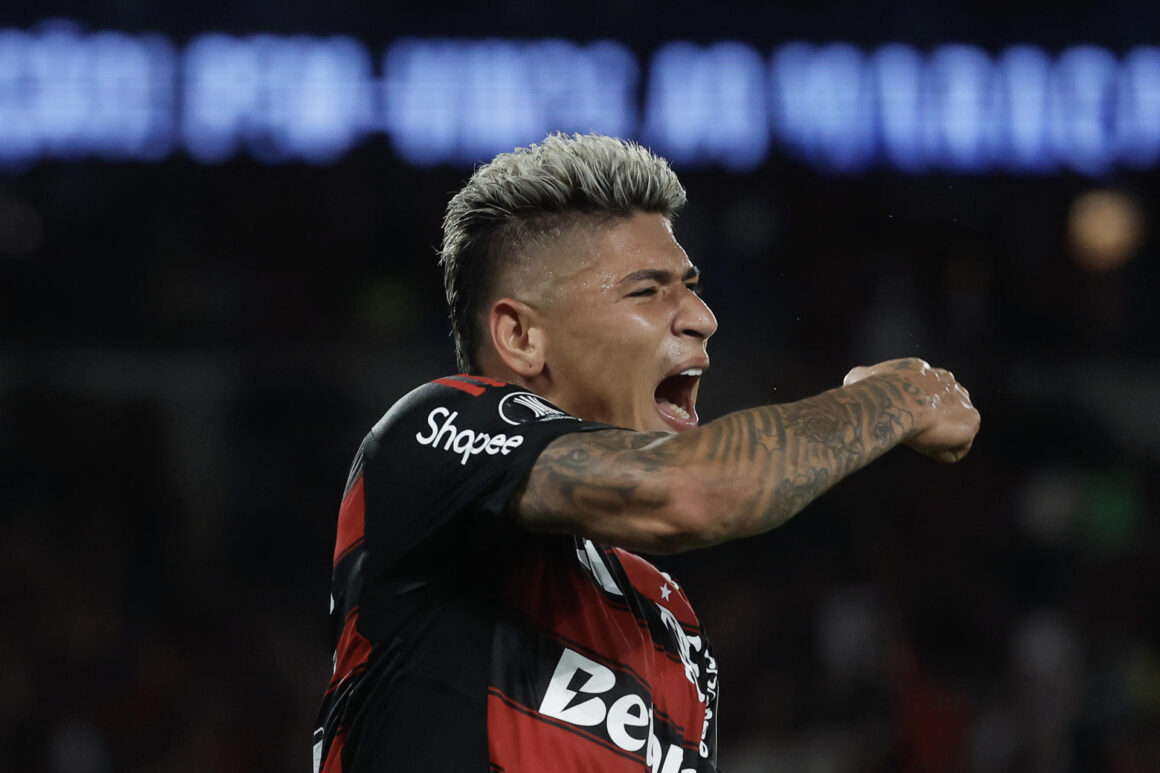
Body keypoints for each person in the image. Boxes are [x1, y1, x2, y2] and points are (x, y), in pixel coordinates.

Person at [312, 133, 979, 773]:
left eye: (690, 284)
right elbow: (688, 492)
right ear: (520, 335)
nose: (701, 315)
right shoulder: (430, 437)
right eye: (648, 289)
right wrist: (893, 399)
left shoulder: (667, 616)